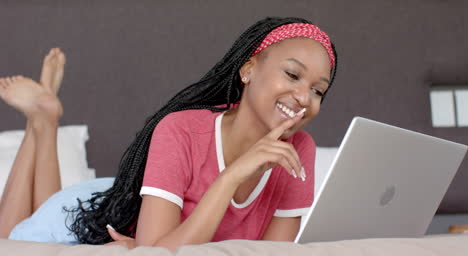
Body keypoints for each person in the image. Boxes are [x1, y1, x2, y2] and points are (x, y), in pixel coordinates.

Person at [0, 17, 337, 250]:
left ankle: (43, 121)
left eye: (319, 91)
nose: (304, 98)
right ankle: (42, 124)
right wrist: (231, 177)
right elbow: (156, 253)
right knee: (12, 237)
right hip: (111, 210)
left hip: (137, 200)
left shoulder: (298, 149)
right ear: (248, 68)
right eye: (293, 75)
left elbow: (269, 254)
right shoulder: (180, 130)